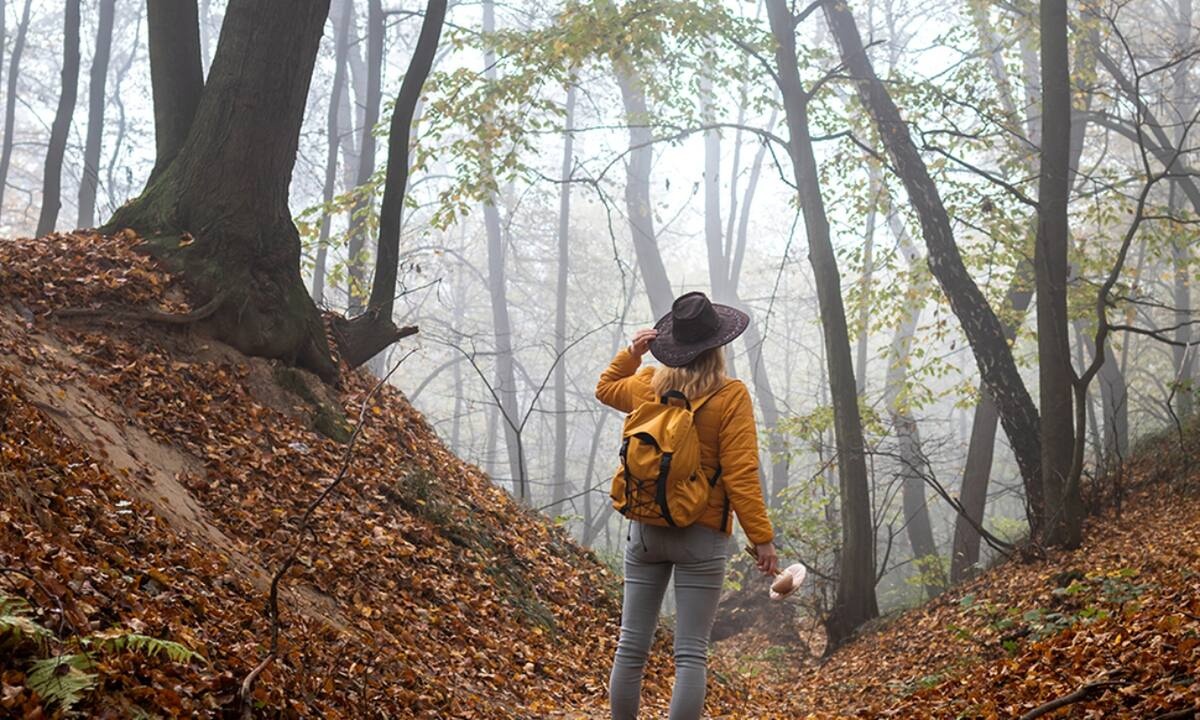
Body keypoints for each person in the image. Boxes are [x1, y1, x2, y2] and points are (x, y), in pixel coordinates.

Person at [595, 291, 777, 720]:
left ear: (673, 345)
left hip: (645, 527)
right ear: (717, 346)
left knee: (631, 645)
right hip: (702, 532)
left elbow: (604, 389)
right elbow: (740, 474)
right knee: (690, 654)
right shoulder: (731, 395)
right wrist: (762, 539)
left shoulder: (649, 383)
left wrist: (631, 353)